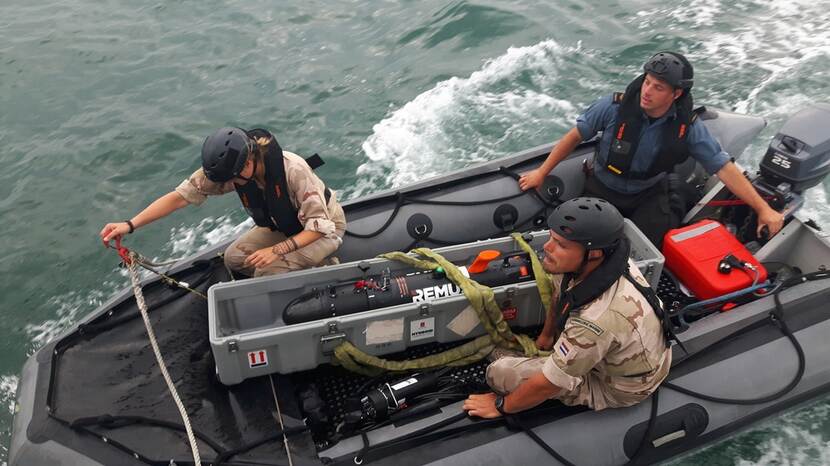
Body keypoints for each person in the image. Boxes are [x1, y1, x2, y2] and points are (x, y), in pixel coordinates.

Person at [518, 51, 784, 248]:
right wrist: (542, 172)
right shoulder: (613, 107)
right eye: (647, 82)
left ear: (676, 94)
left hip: (648, 193)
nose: (647, 91)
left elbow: (723, 166)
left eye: (658, 87)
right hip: (602, 187)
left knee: (641, 249)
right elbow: (575, 136)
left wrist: (762, 209)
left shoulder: (687, 127)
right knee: (579, 241)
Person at [463, 197, 671, 417]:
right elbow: (560, 293)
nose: (547, 247)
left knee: (499, 374)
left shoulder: (596, 320)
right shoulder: (596, 263)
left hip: (616, 387)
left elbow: (548, 384)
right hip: (609, 353)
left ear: (594, 253)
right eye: (551, 238)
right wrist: (546, 336)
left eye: (561, 245)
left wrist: (502, 406)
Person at [100, 127, 346, 277]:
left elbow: (318, 226)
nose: (229, 184)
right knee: (234, 259)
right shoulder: (230, 169)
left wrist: (275, 251)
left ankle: (318, 270)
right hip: (285, 226)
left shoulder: (294, 170)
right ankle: (292, 270)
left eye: (233, 179)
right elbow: (179, 197)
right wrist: (130, 224)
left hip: (325, 229)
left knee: (267, 270)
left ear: (248, 162)